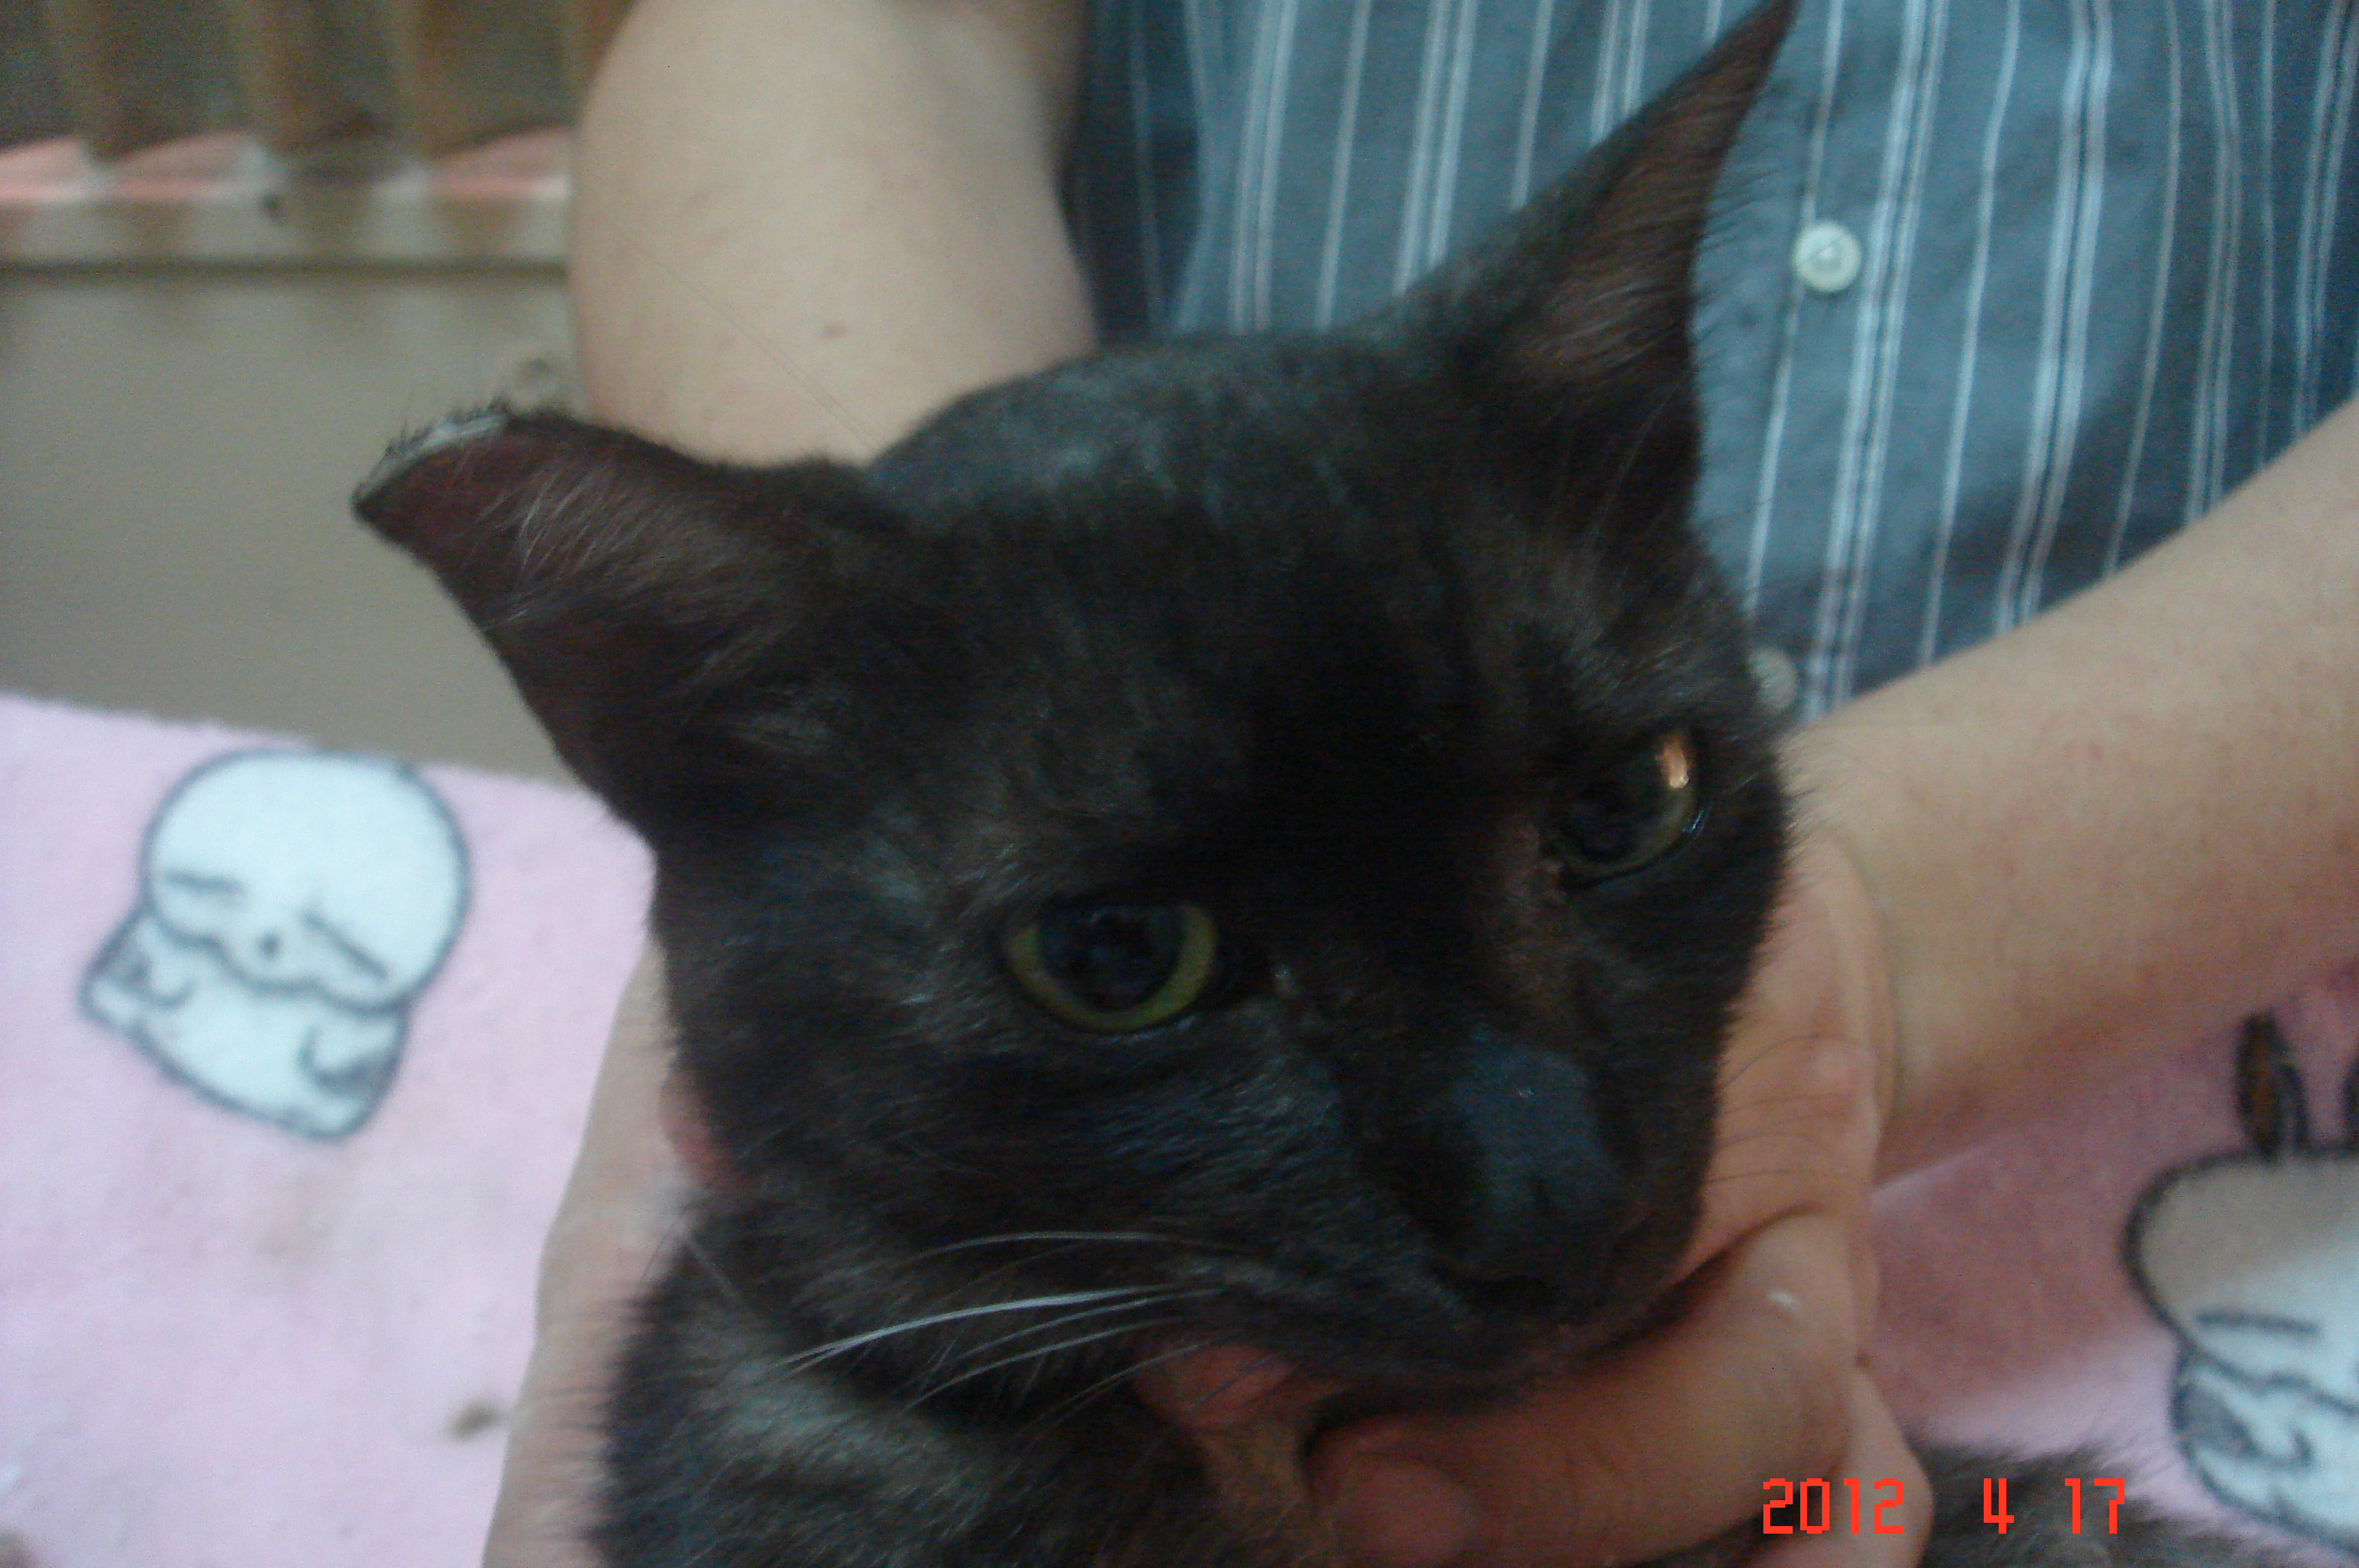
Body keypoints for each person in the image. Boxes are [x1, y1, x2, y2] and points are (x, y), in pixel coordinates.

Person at [483, 1, 2359, 1564]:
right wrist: (853, 715)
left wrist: (1876, 954)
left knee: (1991, 1519)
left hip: (2165, 1145)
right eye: (1123, 961)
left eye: (1611, 830)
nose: (1546, 1200)